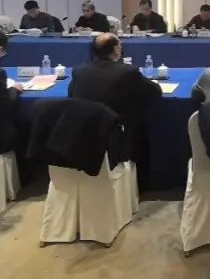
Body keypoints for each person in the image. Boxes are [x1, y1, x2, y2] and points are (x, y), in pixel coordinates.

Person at [69, 33, 162, 181]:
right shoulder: (127, 72)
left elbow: (71, 94)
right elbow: (155, 92)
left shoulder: (79, 71)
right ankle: (143, 181)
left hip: (83, 132)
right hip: (116, 135)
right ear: (116, 50)